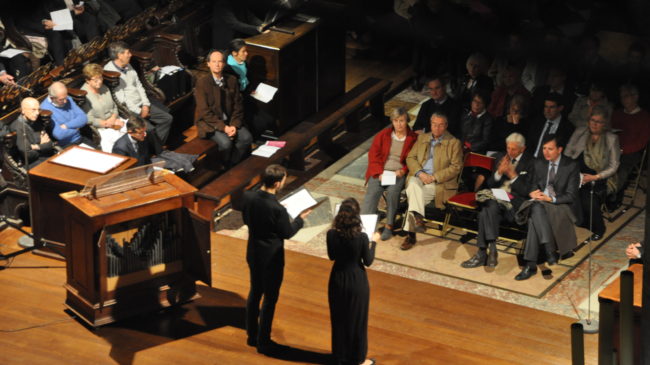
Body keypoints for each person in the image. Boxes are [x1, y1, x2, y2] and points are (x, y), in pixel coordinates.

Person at [242, 164, 311, 353]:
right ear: (277, 183)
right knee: (270, 298)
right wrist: (300, 218)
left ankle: (251, 336)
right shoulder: (277, 208)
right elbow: (287, 232)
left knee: (255, 291)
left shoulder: (249, 196)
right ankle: (264, 341)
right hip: (271, 257)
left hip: (253, 251)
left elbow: (247, 220)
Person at [461, 133, 534, 268]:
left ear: (522, 149)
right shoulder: (499, 157)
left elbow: (526, 192)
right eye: (508, 148)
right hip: (495, 200)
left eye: (514, 149)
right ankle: (490, 249)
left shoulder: (532, 163)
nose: (510, 152)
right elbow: (489, 185)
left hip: (514, 205)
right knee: (489, 206)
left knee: (485, 210)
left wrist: (513, 176)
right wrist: (498, 173)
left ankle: (483, 252)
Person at [514, 135, 580, 281]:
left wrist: (551, 199)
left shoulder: (571, 165)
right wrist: (533, 192)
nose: (546, 152)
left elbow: (571, 195)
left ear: (560, 149)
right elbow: (531, 184)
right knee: (537, 208)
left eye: (550, 149)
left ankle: (530, 266)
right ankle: (549, 248)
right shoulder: (539, 163)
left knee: (533, 220)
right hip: (539, 202)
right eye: (544, 148)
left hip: (559, 205)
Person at [327, 198, 379, 365]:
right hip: (356, 281)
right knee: (357, 321)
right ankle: (358, 360)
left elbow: (332, 256)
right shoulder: (362, 237)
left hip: (337, 279)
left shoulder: (331, 234)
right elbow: (368, 261)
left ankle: (339, 357)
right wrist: (374, 242)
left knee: (338, 319)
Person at [401, 112, 463, 250]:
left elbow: (456, 167)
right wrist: (420, 173)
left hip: (437, 183)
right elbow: (411, 158)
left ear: (446, 126)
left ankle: (411, 235)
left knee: (413, 198)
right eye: (434, 125)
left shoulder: (454, 143)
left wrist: (434, 177)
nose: (437, 128)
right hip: (419, 177)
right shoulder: (422, 138)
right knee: (412, 184)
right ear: (430, 124)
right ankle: (418, 219)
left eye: (441, 125)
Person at [564, 105, 620, 240]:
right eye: (592, 121)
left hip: (600, 177)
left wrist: (594, 177)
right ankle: (579, 222)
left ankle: (599, 228)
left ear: (604, 124)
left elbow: (614, 166)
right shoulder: (580, 131)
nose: (595, 124)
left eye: (599, 122)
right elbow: (567, 152)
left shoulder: (611, 139)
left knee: (587, 197)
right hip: (576, 173)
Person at [361, 107, 417, 241]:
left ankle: (389, 225)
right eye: (396, 121)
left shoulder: (414, 138)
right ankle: (365, 227)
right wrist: (379, 173)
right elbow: (373, 156)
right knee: (372, 194)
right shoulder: (383, 135)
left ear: (407, 121)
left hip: (398, 174)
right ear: (392, 121)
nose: (399, 124)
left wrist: (403, 170)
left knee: (393, 193)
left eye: (402, 121)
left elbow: (414, 158)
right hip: (380, 171)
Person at [104, 41, 173, 144]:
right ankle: (156, 149)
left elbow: (139, 85)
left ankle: (157, 146)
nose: (130, 55)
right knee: (149, 129)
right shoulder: (111, 72)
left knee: (167, 118)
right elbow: (123, 101)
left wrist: (145, 104)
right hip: (129, 110)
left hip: (142, 104)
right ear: (119, 55)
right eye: (127, 53)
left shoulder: (127, 65)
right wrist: (139, 111)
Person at [194, 49, 252, 167]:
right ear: (208, 64)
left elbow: (238, 105)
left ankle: (233, 163)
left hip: (230, 120)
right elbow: (205, 112)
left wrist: (234, 125)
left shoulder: (231, 80)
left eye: (220, 61)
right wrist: (224, 128)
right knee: (225, 144)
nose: (217, 64)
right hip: (210, 122)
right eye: (214, 61)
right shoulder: (202, 83)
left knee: (246, 138)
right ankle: (222, 166)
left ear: (224, 64)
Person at [226, 38, 274, 140]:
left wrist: (251, 90)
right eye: (243, 51)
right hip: (238, 105)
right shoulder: (228, 70)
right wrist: (247, 94)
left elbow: (249, 81)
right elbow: (233, 94)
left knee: (269, 120)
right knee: (260, 124)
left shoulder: (244, 64)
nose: (247, 54)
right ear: (234, 53)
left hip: (248, 99)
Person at [610, 84, 650, 208]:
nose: (623, 99)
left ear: (635, 97)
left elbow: (642, 142)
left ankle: (613, 195)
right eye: (622, 97)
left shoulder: (644, 117)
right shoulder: (617, 113)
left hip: (631, 152)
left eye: (626, 96)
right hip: (613, 148)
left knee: (620, 168)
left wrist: (623, 150)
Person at [81, 63, 125, 152]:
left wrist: (113, 118)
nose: (100, 81)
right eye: (95, 80)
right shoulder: (84, 95)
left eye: (100, 78)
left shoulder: (105, 88)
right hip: (101, 128)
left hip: (115, 120)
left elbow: (114, 106)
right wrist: (106, 124)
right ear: (87, 80)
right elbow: (89, 118)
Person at [40, 81, 96, 148]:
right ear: (52, 98)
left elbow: (83, 118)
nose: (65, 101)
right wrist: (77, 128)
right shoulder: (46, 109)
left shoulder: (68, 99)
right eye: (61, 100)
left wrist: (66, 126)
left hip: (80, 138)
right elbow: (59, 134)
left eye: (66, 97)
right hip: (66, 145)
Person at [9, 97, 54, 168]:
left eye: (38, 109)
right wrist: (42, 146)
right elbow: (28, 155)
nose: (37, 113)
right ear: (23, 111)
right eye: (33, 110)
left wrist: (36, 147)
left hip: (45, 157)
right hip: (32, 164)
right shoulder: (17, 127)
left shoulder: (36, 121)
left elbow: (50, 144)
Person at [527, 93, 574, 159]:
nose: (548, 111)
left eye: (552, 107)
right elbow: (529, 144)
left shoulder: (567, 127)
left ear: (560, 108)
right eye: (546, 106)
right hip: (532, 160)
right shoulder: (537, 122)